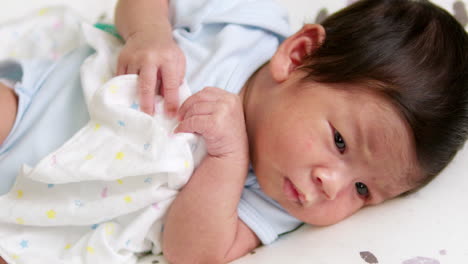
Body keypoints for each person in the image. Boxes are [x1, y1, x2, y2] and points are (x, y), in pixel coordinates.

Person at [0, 0, 467, 263]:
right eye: (340, 142)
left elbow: (192, 254)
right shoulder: (243, 24)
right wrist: (149, 34)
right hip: (36, 109)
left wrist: (227, 160)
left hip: (46, 227)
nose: (332, 186)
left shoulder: (274, 201)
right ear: (299, 55)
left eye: (364, 190)